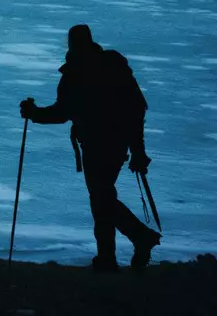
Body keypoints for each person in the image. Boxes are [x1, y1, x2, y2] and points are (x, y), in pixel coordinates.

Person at [20, 23, 161, 271]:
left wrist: (34, 114)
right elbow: (136, 108)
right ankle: (110, 256)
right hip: (116, 143)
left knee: (101, 197)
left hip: (97, 145)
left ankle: (134, 241)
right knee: (102, 196)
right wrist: (137, 149)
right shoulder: (113, 66)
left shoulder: (76, 72)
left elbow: (62, 113)